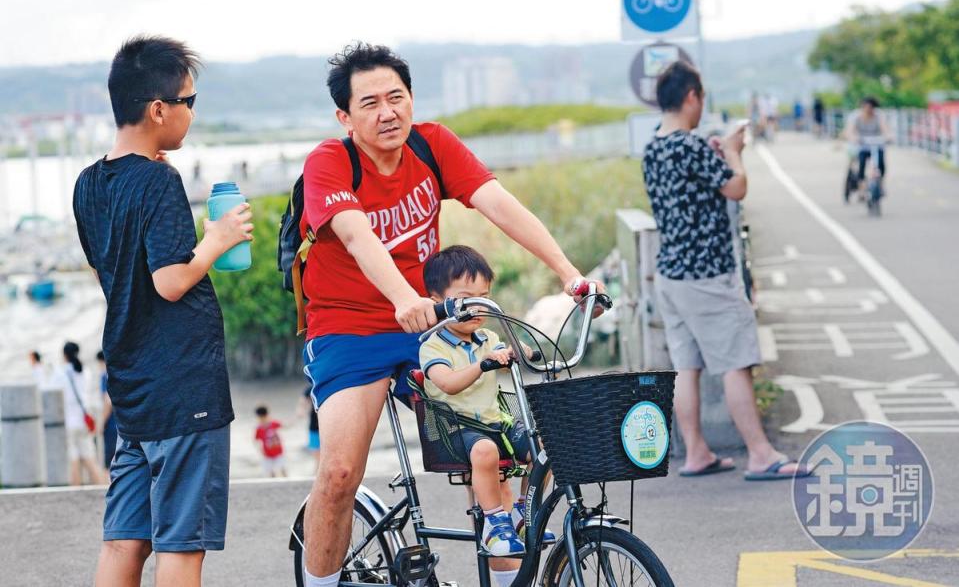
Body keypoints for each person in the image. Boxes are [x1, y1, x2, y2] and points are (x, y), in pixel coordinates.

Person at [299, 42, 603, 587]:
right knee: (341, 472)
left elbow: (497, 201)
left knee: (493, 444)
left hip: (430, 323)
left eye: (397, 97)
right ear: (344, 117)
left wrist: (568, 273)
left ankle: (508, 578)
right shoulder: (331, 161)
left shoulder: (432, 145)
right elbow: (356, 234)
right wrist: (403, 299)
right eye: (369, 103)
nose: (387, 111)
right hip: (349, 329)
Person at [73, 35, 253, 587]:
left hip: (132, 383)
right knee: (181, 543)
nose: (191, 116)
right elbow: (171, 281)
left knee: (124, 540)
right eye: (189, 103)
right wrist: (218, 238)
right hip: (183, 385)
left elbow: (115, 271)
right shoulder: (159, 180)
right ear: (158, 109)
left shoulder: (88, 183)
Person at [643, 61, 809, 481]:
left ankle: (696, 451)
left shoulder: (654, 147)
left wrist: (717, 153)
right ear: (692, 96)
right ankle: (760, 453)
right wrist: (734, 152)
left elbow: (694, 185)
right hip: (708, 275)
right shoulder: (690, 146)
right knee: (736, 362)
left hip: (671, 274)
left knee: (687, 366)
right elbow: (736, 187)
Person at [418, 246, 551, 585]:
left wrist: (528, 352)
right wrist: (483, 364)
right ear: (439, 300)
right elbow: (446, 383)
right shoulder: (433, 346)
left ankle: (524, 511)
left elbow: (516, 351)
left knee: (545, 447)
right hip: (455, 429)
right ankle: (495, 522)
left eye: (484, 297)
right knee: (485, 452)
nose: (477, 307)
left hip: (496, 423)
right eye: (466, 299)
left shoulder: (488, 336)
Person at [52, 342, 107, 486]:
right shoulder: (84, 371)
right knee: (89, 456)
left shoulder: (60, 372)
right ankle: (101, 486)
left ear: (64, 355)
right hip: (84, 419)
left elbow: (51, 391)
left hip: (69, 420)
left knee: (73, 457)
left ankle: (75, 490)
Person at [843, 96, 892, 193]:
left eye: (871, 108)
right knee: (861, 164)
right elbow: (849, 130)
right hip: (862, 145)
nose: (868, 110)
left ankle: (880, 184)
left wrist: (888, 137)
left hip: (876, 145)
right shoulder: (855, 116)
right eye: (865, 108)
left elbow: (885, 129)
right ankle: (862, 188)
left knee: (881, 164)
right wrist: (853, 138)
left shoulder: (879, 116)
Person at [97, 350, 118, 468]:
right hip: (120, 423)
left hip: (110, 424)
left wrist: (101, 422)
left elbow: (107, 401)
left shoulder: (105, 376)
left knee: (109, 462)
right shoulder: (117, 373)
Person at [254, 405, 287, 478]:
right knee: (270, 471)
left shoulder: (273, 424)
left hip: (278, 452)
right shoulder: (259, 428)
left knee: (282, 468)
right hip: (267, 454)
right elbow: (256, 441)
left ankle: (287, 480)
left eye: (264, 417)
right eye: (260, 418)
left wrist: (296, 419)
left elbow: (285, 426)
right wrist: (260, 450)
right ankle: (274, 482)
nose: (262, 420)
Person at [297, 386, 321, 472]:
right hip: (314, 426)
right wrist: (301, 410)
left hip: (326, 425)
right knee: (317, 455)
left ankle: (318, 472)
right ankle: (317, 472)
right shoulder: (312, 387)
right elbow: (303, 399)